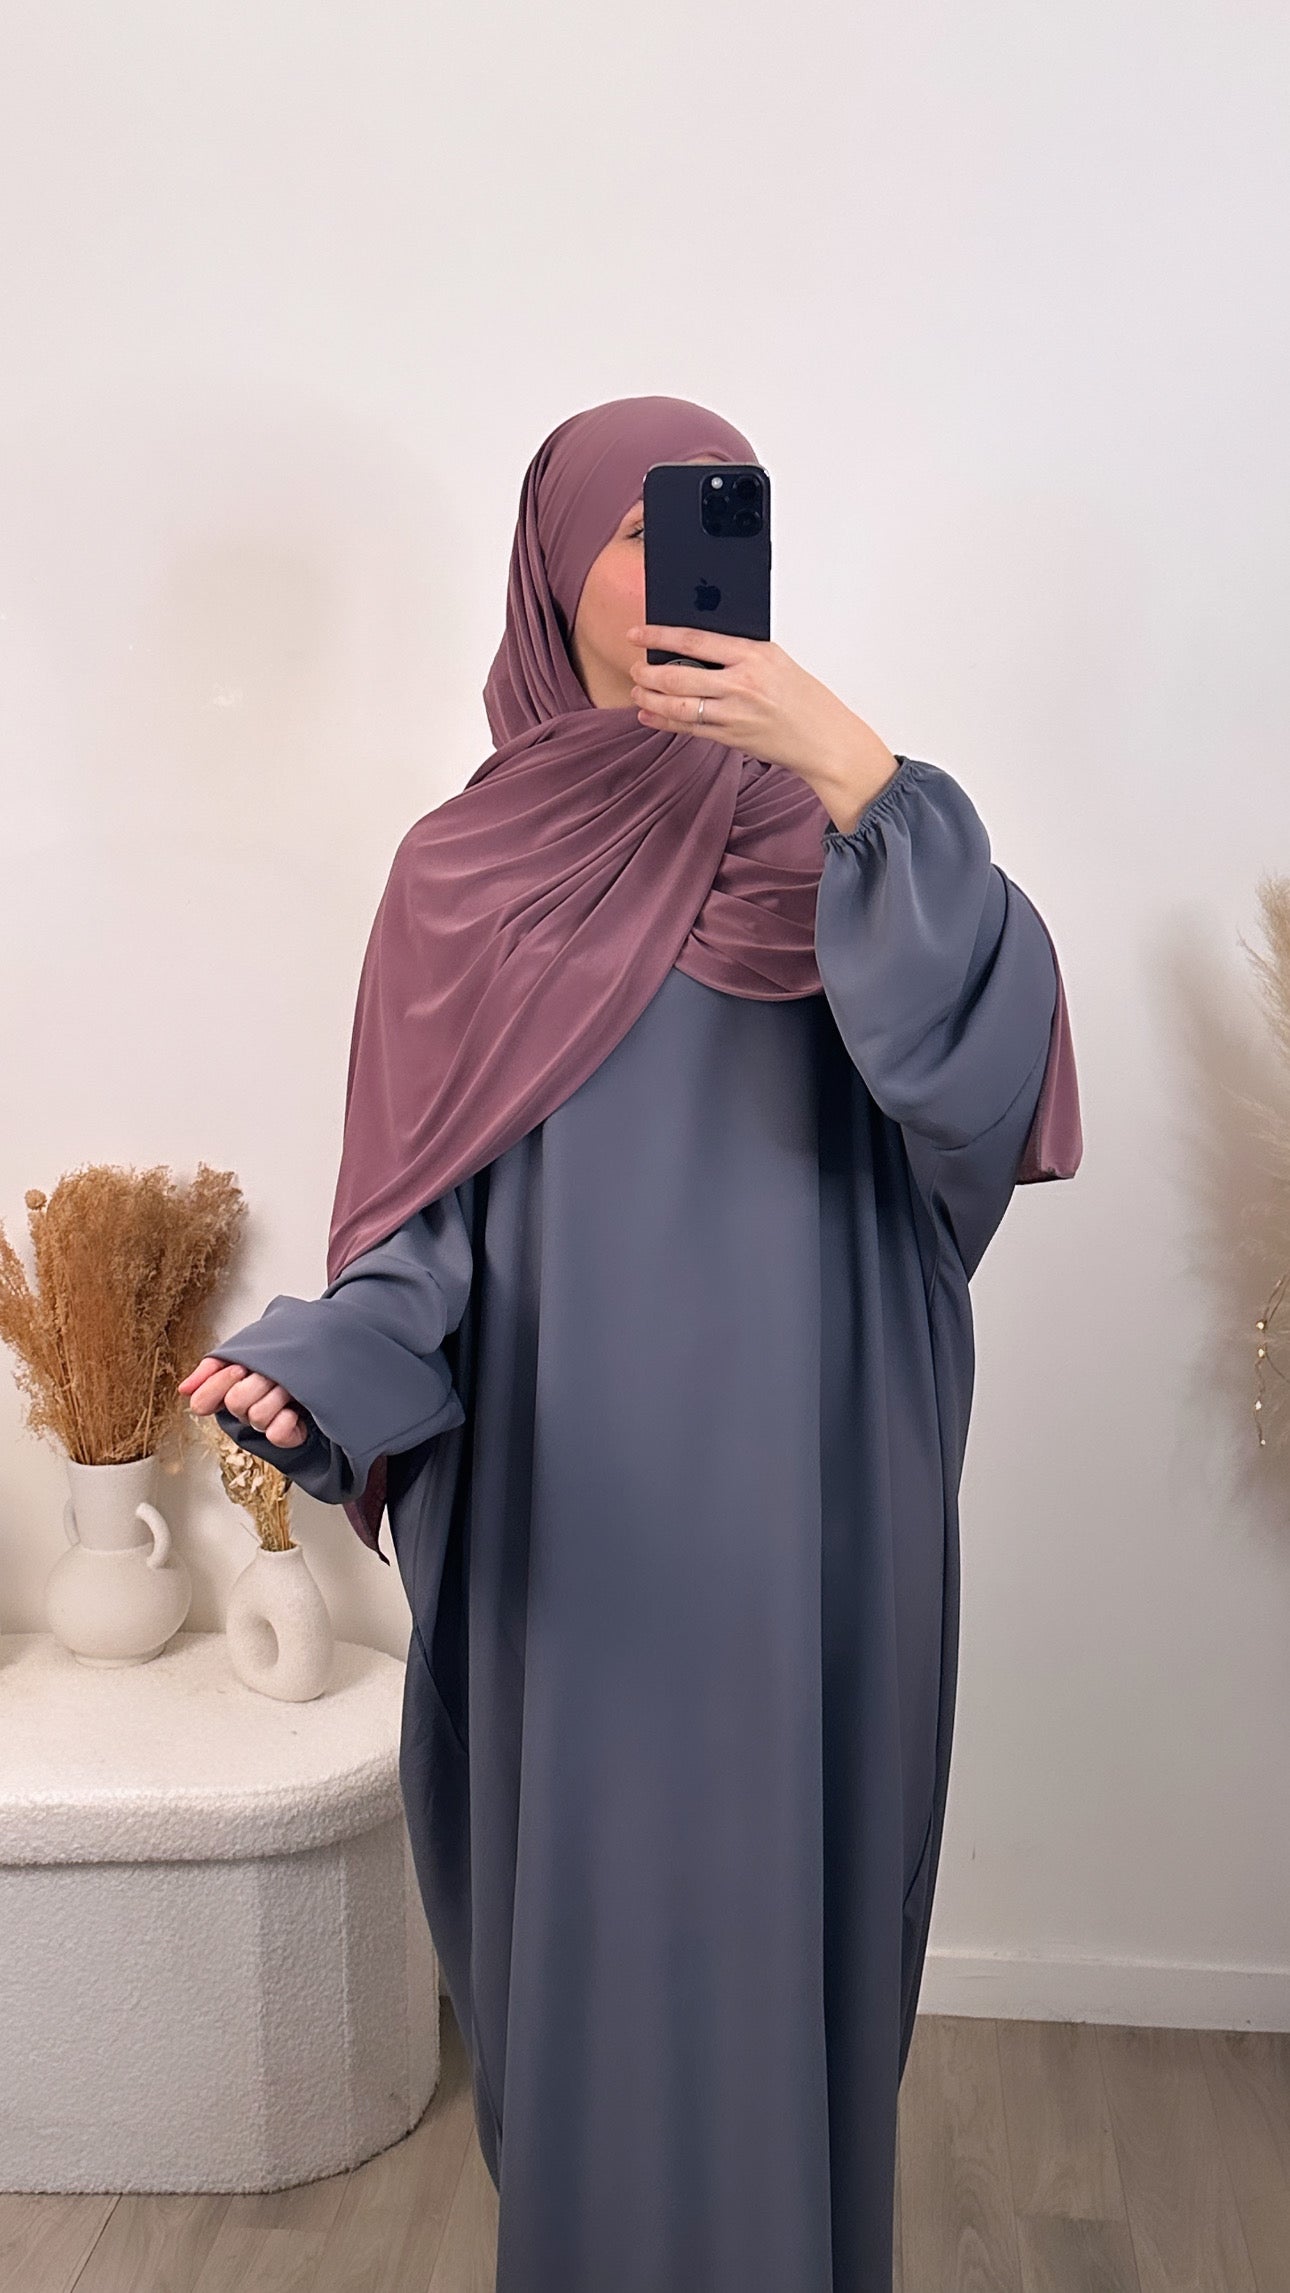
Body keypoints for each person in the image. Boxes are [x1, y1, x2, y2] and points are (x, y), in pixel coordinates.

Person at [180, 393, 1082, 2293]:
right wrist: (324, 1369)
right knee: (601, 1936)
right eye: (631, 527)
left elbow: (986, 1063)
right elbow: (418, 1228)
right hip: (582, 1511)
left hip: (817, 1494)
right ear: (548, 569)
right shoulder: (462, 874)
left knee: (789, 1921)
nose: (674, 559)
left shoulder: (841, 843)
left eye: (716, 517)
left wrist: (847, 760)